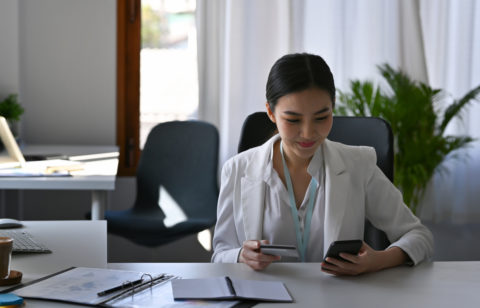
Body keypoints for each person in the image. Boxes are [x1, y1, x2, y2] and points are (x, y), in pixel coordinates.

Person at [211, 53, 433, 275]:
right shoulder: (237, 169)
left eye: (321, 117)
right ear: (270, 112)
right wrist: (240, 255)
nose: (308, 133)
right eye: (293, 120)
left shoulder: (359, 164)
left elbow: (419, 236)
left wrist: (379, 260)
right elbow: (220, 254)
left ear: (333, 107)